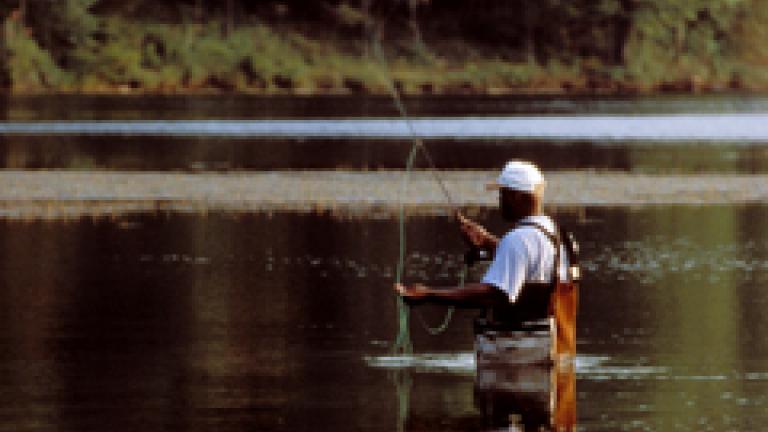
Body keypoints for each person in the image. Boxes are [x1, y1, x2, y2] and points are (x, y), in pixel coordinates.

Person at [394, 160, 578, 361]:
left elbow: (494, 294)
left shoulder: (517, 240)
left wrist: (429, 294)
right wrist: (487, 242)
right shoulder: (559, 236)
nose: (499, 201)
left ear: (516, 196)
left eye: (502, 194)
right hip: (559, 354)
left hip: (517, 355)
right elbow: (530, 263)